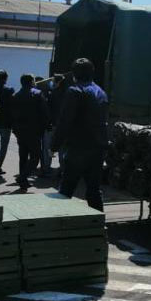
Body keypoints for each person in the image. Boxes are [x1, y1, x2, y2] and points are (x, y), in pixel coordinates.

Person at [51, 58, 109, 211]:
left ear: (74, 74)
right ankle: (98, 221)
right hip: (98, 148)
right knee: (94, 190)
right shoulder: (101, 92)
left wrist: (54, 146)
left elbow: (65, 121)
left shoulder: (74, 91)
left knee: (66, 189)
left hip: (78, 148)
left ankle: (60, 220)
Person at [12, 74, 49, 191]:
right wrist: (46, 126)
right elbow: (44, 112)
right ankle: (22, 177)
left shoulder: (16, 95)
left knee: (23, 156)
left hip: (20, 130)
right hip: (34, 130)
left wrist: (14, 129)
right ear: (32, 81)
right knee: (36, 156)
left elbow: (12, 114)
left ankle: (23, 182)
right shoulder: (37, 94)